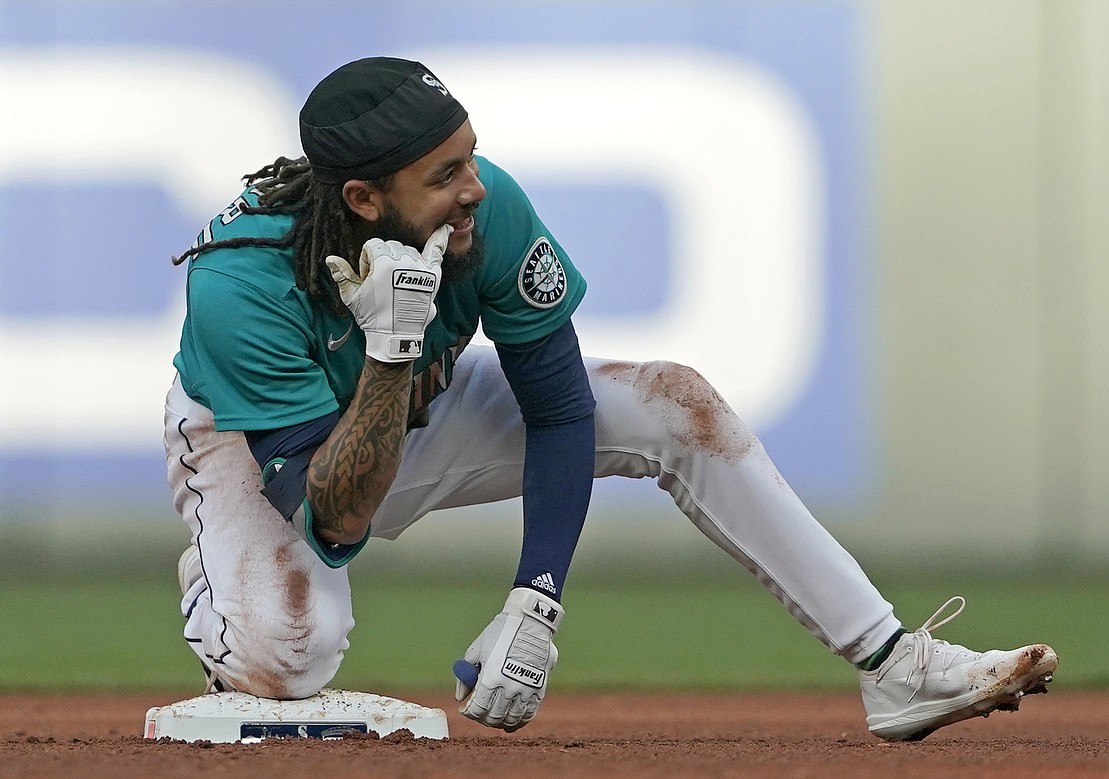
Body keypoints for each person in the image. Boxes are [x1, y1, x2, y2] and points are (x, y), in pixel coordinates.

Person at [164, 56, 1057, 741]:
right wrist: (393, 350)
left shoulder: (489, 208)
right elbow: (338, 521)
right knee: (283, 661)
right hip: (266, 458)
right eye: (442, 176)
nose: (473, 187)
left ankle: (894, 659)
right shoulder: (242, 284)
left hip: (424, 419)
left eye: (469, 158)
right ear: (362, 197)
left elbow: (558, 409)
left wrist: (535, 598)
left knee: (674, 402)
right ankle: (220, 586)